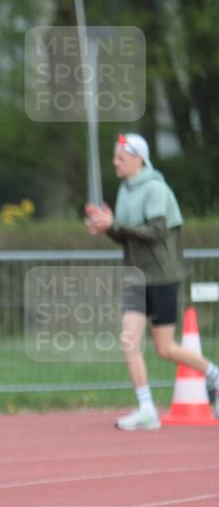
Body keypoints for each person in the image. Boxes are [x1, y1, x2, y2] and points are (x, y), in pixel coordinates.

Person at [85, 133, 219, 430]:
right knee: (129, 341)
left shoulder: (156, 189)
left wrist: (116, 224)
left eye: (120, 157)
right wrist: (106, 226)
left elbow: (156, 233)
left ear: (137, 159)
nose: (115, 162)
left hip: (161, 277)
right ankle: (146, 408)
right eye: (114, 156)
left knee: (165, 348)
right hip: (135, 277)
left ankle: (215, 376)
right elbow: (126, 236)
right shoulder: (125, 190)